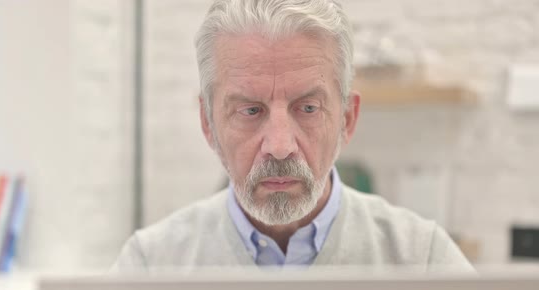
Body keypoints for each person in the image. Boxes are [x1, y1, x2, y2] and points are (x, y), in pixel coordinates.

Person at [113, 0, 472, 272]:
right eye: (251, 111)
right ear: (208, 123)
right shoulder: (150, 266)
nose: (280, 147)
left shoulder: (424, 261)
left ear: (347, 118)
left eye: (308, 108)